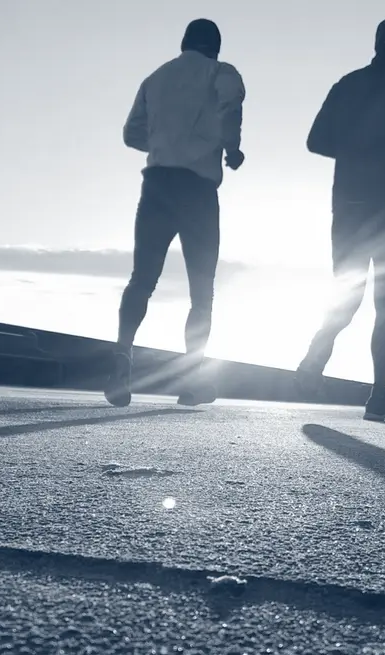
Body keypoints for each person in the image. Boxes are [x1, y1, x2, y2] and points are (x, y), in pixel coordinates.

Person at [294, 17, 385, 422]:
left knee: (348, 292)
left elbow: (315, 141)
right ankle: (378, 397)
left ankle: (316, 354)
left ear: (377, 45)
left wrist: (356, 152)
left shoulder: (347, 84)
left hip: (350, 206)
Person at [106, 19, 246, 407]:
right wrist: (231, 148)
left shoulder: (156, 77)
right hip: (198, 191)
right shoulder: (222, 72)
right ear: (215, 46)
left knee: (142, 280)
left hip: (157, 185)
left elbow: (132, 134)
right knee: (201, 293)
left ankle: (122, 357)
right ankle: (192, 381)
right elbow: (230, 108)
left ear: (184, 42)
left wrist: (165, 141)